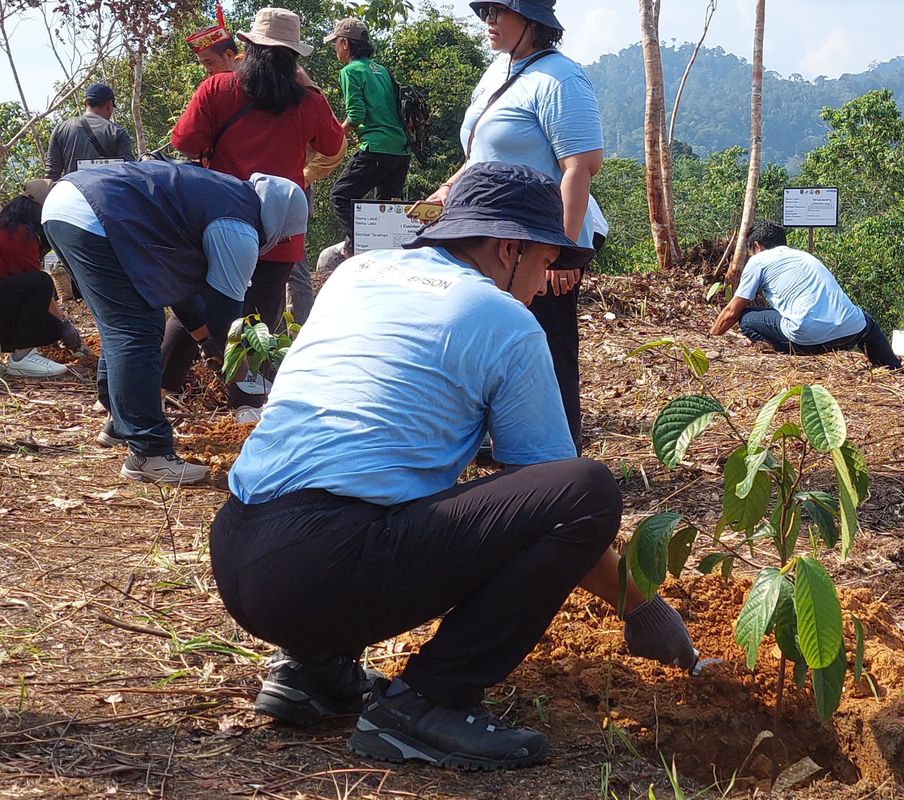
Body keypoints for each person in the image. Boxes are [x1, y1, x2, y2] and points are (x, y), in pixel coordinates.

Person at [209, 162, 696, 771]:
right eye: (544, 263)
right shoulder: (504, 320)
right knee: (586, 491)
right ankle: (431, 703)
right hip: (322, 569)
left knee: (389, 473)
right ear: (508, 248)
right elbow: (551, 500)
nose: (543, 283)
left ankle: (313, 670)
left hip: (236, 552)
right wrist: (642, 606)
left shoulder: (357, 273)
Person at [41, 161, 308, 484]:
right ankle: (148, 452)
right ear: (279, 222)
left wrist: (206, 342)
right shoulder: (238, 229)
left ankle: (119, 423)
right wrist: (250, 370)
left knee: (124, 323)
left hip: (68, 204)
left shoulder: (220, 195)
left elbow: (179, 294)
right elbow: (225, 316)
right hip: (97, 214)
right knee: (136, 329)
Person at [428, 0, 603, 452]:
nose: (488, 18)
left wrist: (562, 251)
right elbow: (479, 155)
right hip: (495, 234)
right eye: (485, 8)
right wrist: (446, 190)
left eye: (498, 10)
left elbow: (580, 168)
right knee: (497, 334)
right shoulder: (497, 72)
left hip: (541, 236)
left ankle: (558, 451)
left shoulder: (561, 79)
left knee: (548, 342)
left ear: (532, 23)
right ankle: (502, 438)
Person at [168, 7, 343, 419]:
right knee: (259, 317)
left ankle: (159, 391)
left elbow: (185, 144)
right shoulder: (308, 101)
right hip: (278, 228)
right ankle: (246, 404)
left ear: (246, 47)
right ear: (293, 57)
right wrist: (310, 87)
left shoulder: (217, 89)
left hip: (218, 221)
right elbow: (333, 146)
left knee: (200, 303)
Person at [710, 220, 901, 369]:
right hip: (851, 332)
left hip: (806, 341)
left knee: (746, 318)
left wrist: (711, 337)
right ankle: (893, 368)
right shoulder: (803, 256)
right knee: (866, 321)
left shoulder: (759, 260)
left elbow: (732, 311)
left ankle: (781, 353)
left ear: (757, 246)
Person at [322, 17, 410, 267]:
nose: (335, 49)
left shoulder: (350, 71)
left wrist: (338, 133)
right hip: (400, 151)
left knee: (340, 196)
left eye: (335, 44)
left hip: (376, 148)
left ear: (345, 44)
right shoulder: (381, 70)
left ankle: (361, 248)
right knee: (388, 210)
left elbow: (356, 115)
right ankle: (389, 259)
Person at [0, 180, 82, 378]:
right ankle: (23, 357)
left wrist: (60, 325)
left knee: (50, 328)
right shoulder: (21, 235)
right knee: (41, 281)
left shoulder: (9, 227)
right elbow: (35, 290)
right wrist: (65, 322)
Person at [45, 83, 134, 180]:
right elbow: (127, 171)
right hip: (107, 193)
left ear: (85, 103)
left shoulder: (61, 129)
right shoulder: (117, 132)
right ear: (109, 105)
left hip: (74, 192)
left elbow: (52, 173)